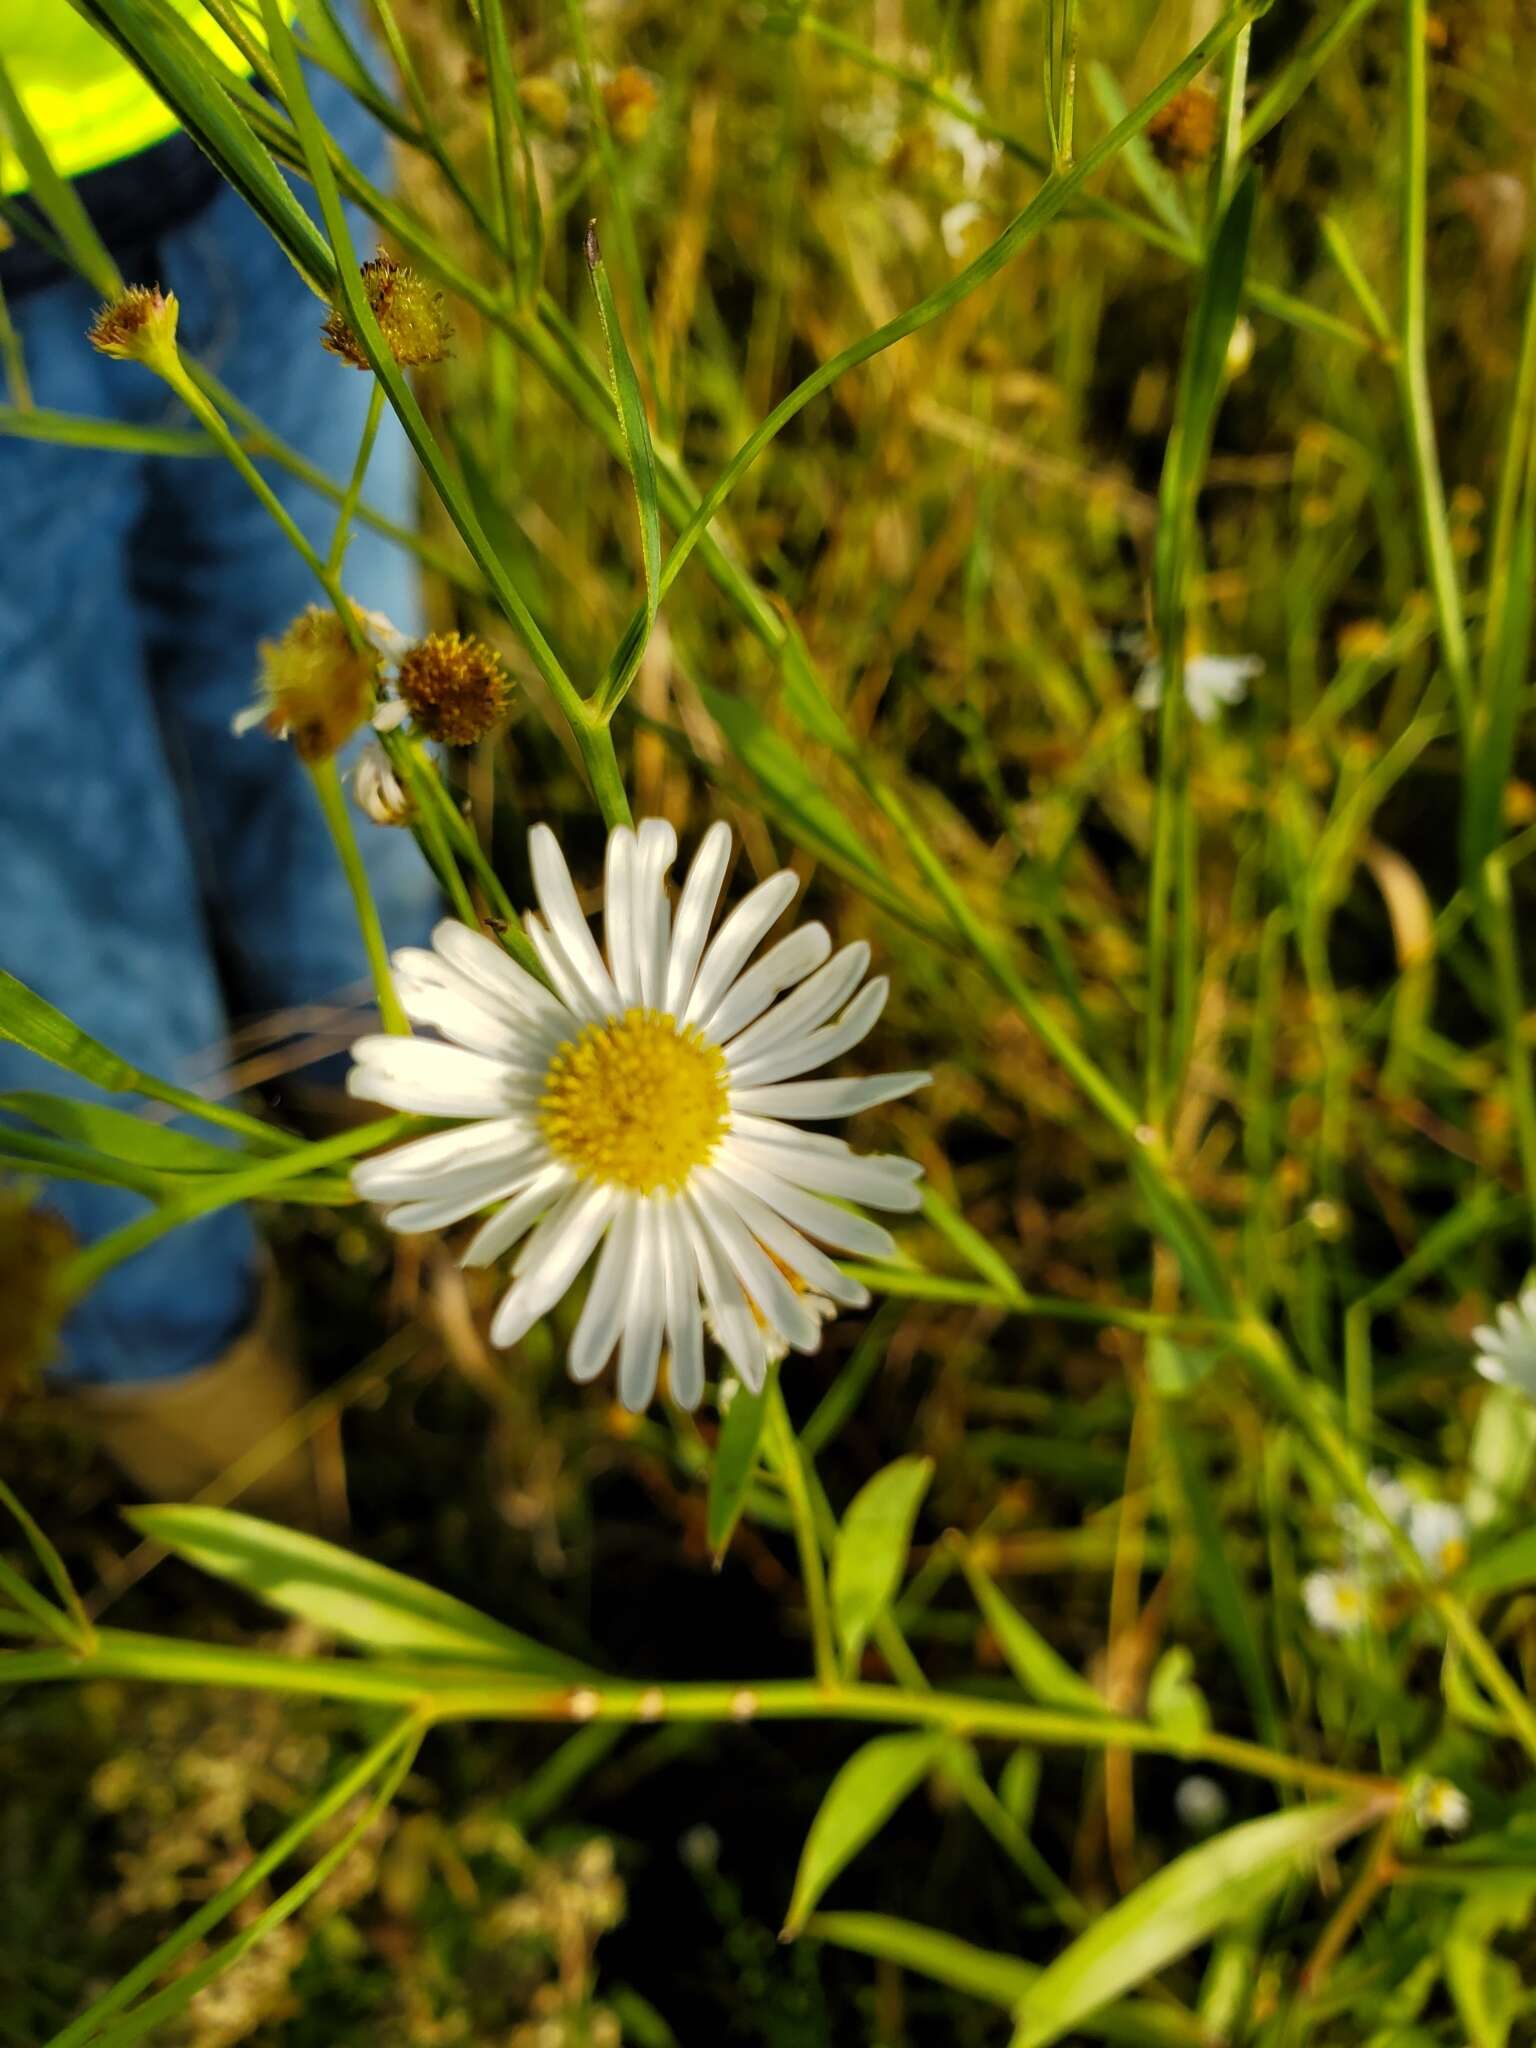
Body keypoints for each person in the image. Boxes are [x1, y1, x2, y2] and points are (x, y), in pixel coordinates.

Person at [0, 3, 438, 1518]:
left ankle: (434, 1206)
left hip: (266, 94)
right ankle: (262, 1528)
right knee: (61, 961)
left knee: (358, 771)